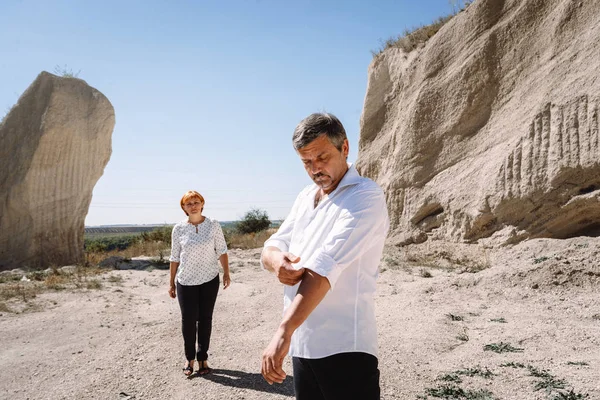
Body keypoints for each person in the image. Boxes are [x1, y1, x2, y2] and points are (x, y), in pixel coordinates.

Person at [260, 113, 389, 399]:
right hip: (304, 344)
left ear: (344, 148)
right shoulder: (306, 197)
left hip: (345, 346)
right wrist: (276, 261)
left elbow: (324, 268)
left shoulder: (364, 196)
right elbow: (274, 243)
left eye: (322, 157)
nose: (315, 168)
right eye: (306, 162)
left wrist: (283, 331)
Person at [168, 190, 231, 376]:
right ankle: (190, 360)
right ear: (184, 208)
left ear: (202, 204)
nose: (193, 205)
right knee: (188, 321)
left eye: (196, 202)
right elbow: (174, 257)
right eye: (189, 203)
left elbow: (222, 250)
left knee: (205, 319)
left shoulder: (213, 225)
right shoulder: (178, 229)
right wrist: (171, 282)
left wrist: (226, 272)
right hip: (185, 281)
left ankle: (203, 359)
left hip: (209, 279)